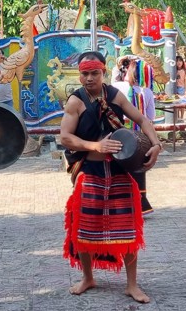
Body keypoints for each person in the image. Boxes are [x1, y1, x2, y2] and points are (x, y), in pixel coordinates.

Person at [60, 51, 161, 304]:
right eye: (85, 73)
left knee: (128, 225)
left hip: (120, 170)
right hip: (90, 172)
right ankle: (87, 277)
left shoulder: (115, 95)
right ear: (79, 75)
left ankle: (132, 284)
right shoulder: (76, 101)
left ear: (103, 72)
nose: (89, 78)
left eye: (94, 73)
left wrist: (156, 144)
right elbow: (65, 137)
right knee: (83, 226)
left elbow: (142, 119)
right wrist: (96, 147)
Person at [111, 56, 158, 216]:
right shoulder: (147, 92)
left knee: (119, 168)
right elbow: (150, 117)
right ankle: (140, 204)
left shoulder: (115, 87)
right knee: (138, 168)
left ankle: (120, 204)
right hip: (141, 136)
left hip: (120, 135)